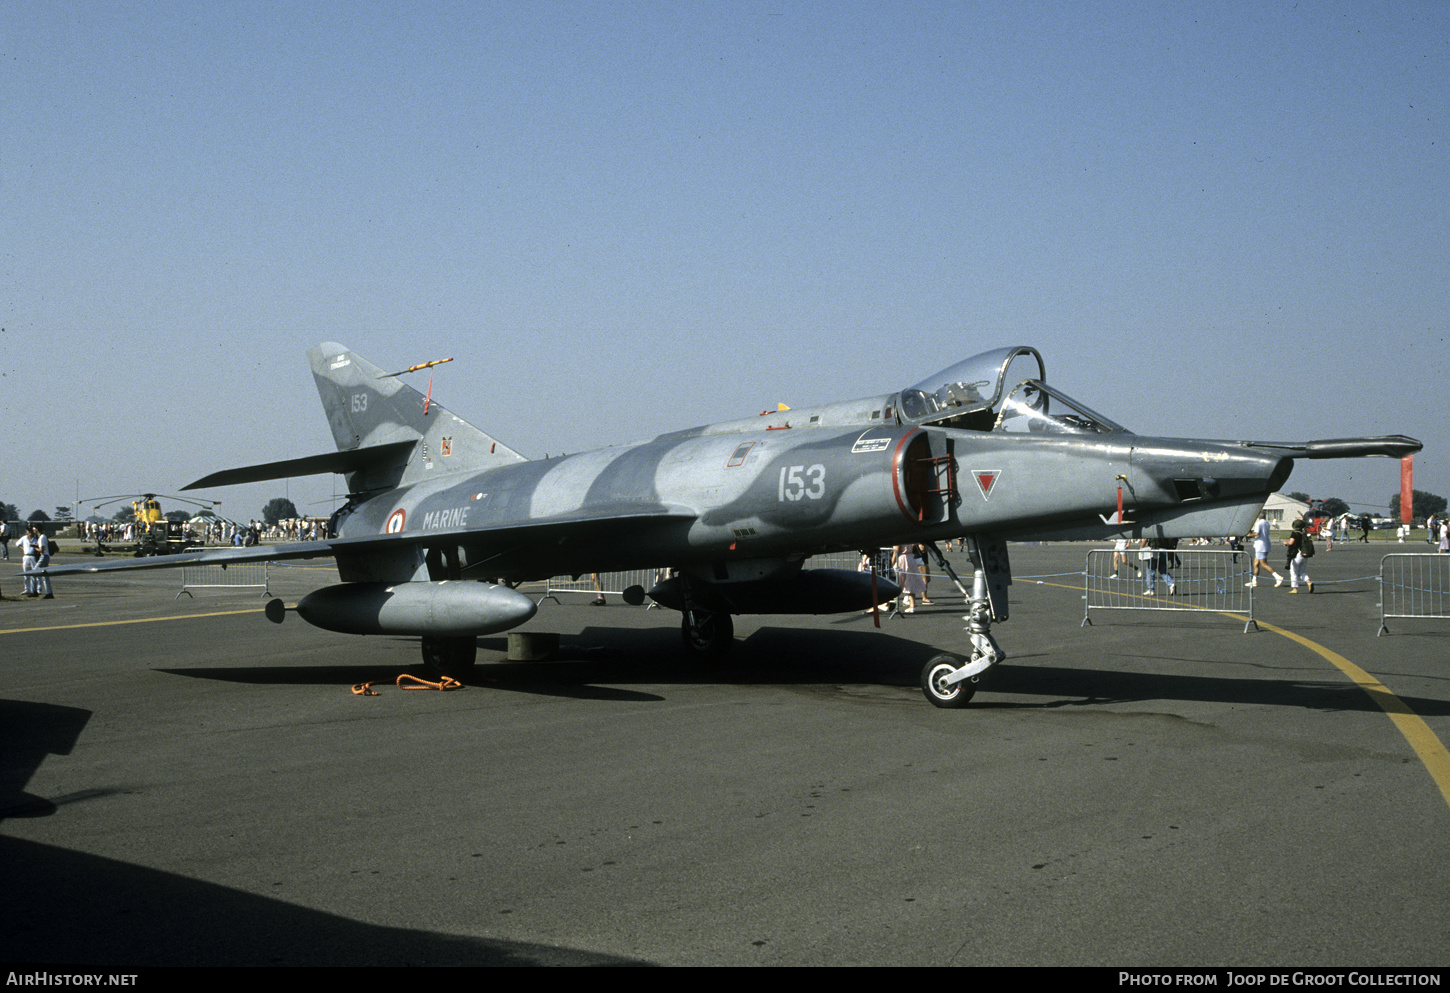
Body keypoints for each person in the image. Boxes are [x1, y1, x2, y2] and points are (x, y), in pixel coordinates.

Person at [1246, 516, 1284, 588]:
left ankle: (1278, 577)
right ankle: (1254, 581)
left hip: (1261, 545)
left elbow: (1257, 533)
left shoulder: (1259, 523)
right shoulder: (1267, 523)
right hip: (1265, 544)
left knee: (1263, 564)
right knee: (1256, 563)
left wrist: (1249, 535)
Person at [1284, 519, 1314, 593]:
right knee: (1302, 571)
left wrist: (1285, 542)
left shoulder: (1295, 533)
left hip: (1296, 554)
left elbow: (1291, 542)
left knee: (1293, 571)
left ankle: (1295, 588)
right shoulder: (1304, 533)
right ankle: (1308, 582)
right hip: (1304, 554)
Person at [894, 543, 925, 613]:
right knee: (910, 581)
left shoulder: (898, 539)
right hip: (910, 558)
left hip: (901, 559)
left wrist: (892, 562)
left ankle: (892, 602)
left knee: (897, 580)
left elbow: (896, 551)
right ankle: (912, 605)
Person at [17, 525, 40, 597]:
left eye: (31, 531)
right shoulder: (24, 538)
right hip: (26, 556)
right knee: (26, 573)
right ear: (26, 532)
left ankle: (37, 589)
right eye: (28, 531)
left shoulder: (36, 538)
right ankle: (27, 589)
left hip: (33, 556)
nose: (30, 533)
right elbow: (17, 544)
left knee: (35, 573)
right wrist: (23, 548)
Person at [34, 527, 54, 599]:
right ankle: (49, 592)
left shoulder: (42, 537)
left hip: (44, 556)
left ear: (36, 529)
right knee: (45, 575)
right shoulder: (43, 536)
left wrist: (35, 548)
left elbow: (42, 550)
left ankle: (35, 591)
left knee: (34, 572)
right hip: (45, 556)